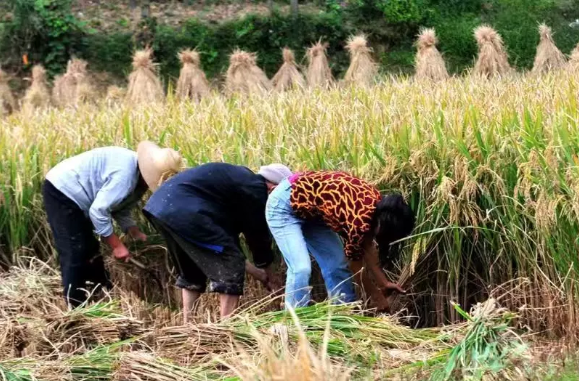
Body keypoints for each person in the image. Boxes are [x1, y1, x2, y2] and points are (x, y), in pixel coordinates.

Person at [143, 162, 291, 321]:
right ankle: (226, 327)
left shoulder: (240, 181)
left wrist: (260, 274)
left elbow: (225, 243)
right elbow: (256, 235)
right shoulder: (257, 190)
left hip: (159, 207)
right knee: (230, 268)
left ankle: (188, 324)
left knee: (192, 269)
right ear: (273, 187)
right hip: (186, 211)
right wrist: (267, 269)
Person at [43, 142, 183, 307]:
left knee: (90, 248)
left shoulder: (138, 180)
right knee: (75, 250)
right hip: (63, 190)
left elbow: (120, 208)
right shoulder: (125, 177)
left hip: (79, 194)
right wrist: (117, 246)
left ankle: (102, 291)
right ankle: (75, 307)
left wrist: (132, 229)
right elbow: (98, 211)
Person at [266, 170, 415, 310]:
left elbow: (367, 247)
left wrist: (384, 282)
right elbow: (356, 267)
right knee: (301, 268)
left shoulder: (377, 207)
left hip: (313, 214)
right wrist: (376, 296)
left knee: (337, 265)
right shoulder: (360, 220)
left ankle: (343, 315)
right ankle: (295, 322)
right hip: (285, 203)